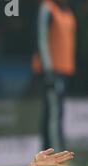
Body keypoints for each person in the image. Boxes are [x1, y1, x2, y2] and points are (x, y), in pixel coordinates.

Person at [32, 0, 76, 152]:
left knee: (56, 112)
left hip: (65, 69)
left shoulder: (67, 10)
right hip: (51, 71)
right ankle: (56, 155)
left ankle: (49, 155)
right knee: (54, 113)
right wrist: (48, 70)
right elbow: (41, 39)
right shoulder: (47, 8)